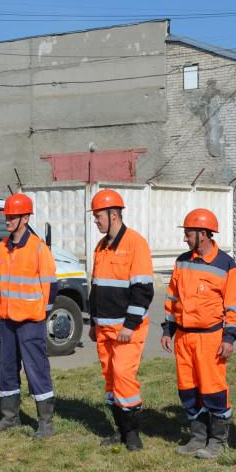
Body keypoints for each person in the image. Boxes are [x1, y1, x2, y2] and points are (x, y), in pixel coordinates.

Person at [163, 209, 236, 459]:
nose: (185, 239)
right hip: (183, 339)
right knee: (188, 389)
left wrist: (229, 338)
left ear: (203, 234)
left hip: (211, 338)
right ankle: (198, 438)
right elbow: (172, 299)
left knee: (213, 389)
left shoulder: (225, 264)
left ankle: (218, 441)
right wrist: (168, 330)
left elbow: (235, 305)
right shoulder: (182, 261)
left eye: (188, 234)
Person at [88, 189, 154, 451]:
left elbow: (143, 290)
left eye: (98, 215)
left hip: (127, 328)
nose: (95, 220)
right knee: (111, 379)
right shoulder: (101, 247)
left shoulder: (136, 244)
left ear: (113, 214)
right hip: (103, 327)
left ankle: (133, 432)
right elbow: (97, 288)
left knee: (124, 377)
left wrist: (129, 325)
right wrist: (93, 323)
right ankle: (121, 430)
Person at [0, 194, 58, 438]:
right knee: (6, 370)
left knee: (36, 370)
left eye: (12, 217)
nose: (7, 220)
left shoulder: (39, 248)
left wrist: (41, 315)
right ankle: (10, 418)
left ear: (25, 218)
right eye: (6, 216)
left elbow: (51, 288)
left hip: (30, 322)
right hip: (7, 321)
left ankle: (45, 424)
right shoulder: (1, 248)